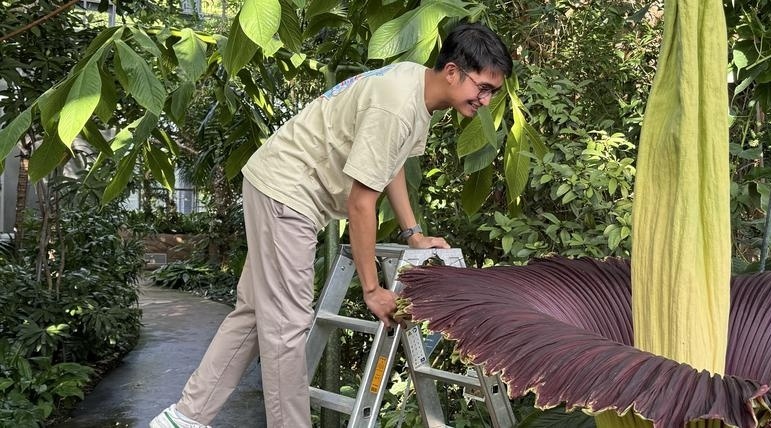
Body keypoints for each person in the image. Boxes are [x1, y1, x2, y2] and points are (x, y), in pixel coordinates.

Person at [150, 22, 513, 428]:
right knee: (287, 326)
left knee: (254, 314)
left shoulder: (414, 85)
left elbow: (389, 164)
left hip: (278, 185)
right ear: (452, 72)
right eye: (483, 88)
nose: (485, 100)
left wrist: (414, 233)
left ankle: (184, 418)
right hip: (288, 192)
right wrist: (372, 290)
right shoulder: (396, 105)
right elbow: (361, 202)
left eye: (492, 92)